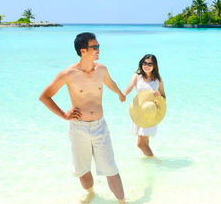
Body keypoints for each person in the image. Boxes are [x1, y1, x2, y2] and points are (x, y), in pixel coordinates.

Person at [39, 32, 127, 204]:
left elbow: (110, 82)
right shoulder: (68, 74)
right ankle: (91, 194)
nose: (98, 50)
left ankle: (123, 202)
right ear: (83, 50)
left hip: (100, 126)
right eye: (94, 47)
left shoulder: (101, 69)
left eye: (98, 46)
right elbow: (45, 96)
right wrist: (64, 115)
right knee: (83, 169)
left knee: (111, 168)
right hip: (78, 128)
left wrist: (120, 93)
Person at [124, 54, 166, 157]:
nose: (146, 66)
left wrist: (159, 96)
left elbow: (163, 96)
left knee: (141, 144)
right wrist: (124, 94)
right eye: (145, 63)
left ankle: (155, 162)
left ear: (154, 66)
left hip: (150, 113)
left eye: (149, 64)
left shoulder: (158, 80)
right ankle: (150, 166)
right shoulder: (137, 76)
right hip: (138, 112)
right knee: (145, 142)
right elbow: (130, 86)